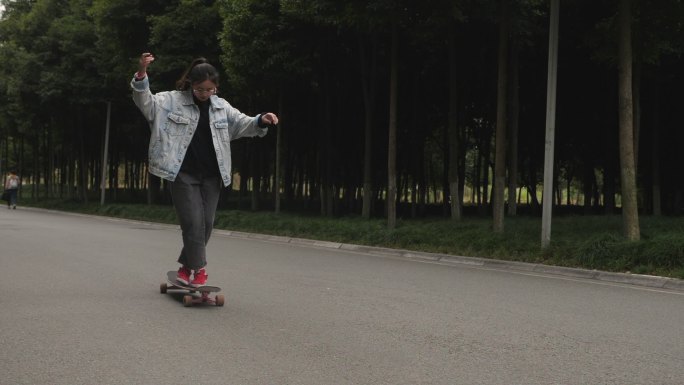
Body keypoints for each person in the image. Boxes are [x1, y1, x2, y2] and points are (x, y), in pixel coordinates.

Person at [130, 53, 278, 287]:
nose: (205, 94)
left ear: (216, 88)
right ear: (191, 84)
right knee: (192, 221)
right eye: (200, 89)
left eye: (210, 90)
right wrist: (141, 75)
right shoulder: (171, 101)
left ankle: (186, 267)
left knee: (206, 223)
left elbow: (242, 123)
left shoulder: (221, 107)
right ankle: (199, 270)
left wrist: (261, 120)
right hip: (182, 173)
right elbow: (145, 102)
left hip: (212, 175)